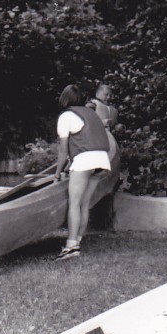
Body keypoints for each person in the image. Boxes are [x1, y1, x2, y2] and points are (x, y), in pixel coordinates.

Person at [54, 83, 111, 260]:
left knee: (74, 203)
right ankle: (77, 241)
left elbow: (63, 150)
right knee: (84, 203)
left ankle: (71, 246)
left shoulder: (66, 116)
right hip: (102, 160)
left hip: (85, 160)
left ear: (64, 99)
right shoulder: (91, 113)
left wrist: (57, 173)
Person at [86, 82, 119, 160]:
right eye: (106, 95)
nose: (108, 97)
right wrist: (101, 123)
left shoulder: (111, 108)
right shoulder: (93, 104)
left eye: (110, 95)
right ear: (97, 94)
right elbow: (86, 119)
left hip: (108, 139)